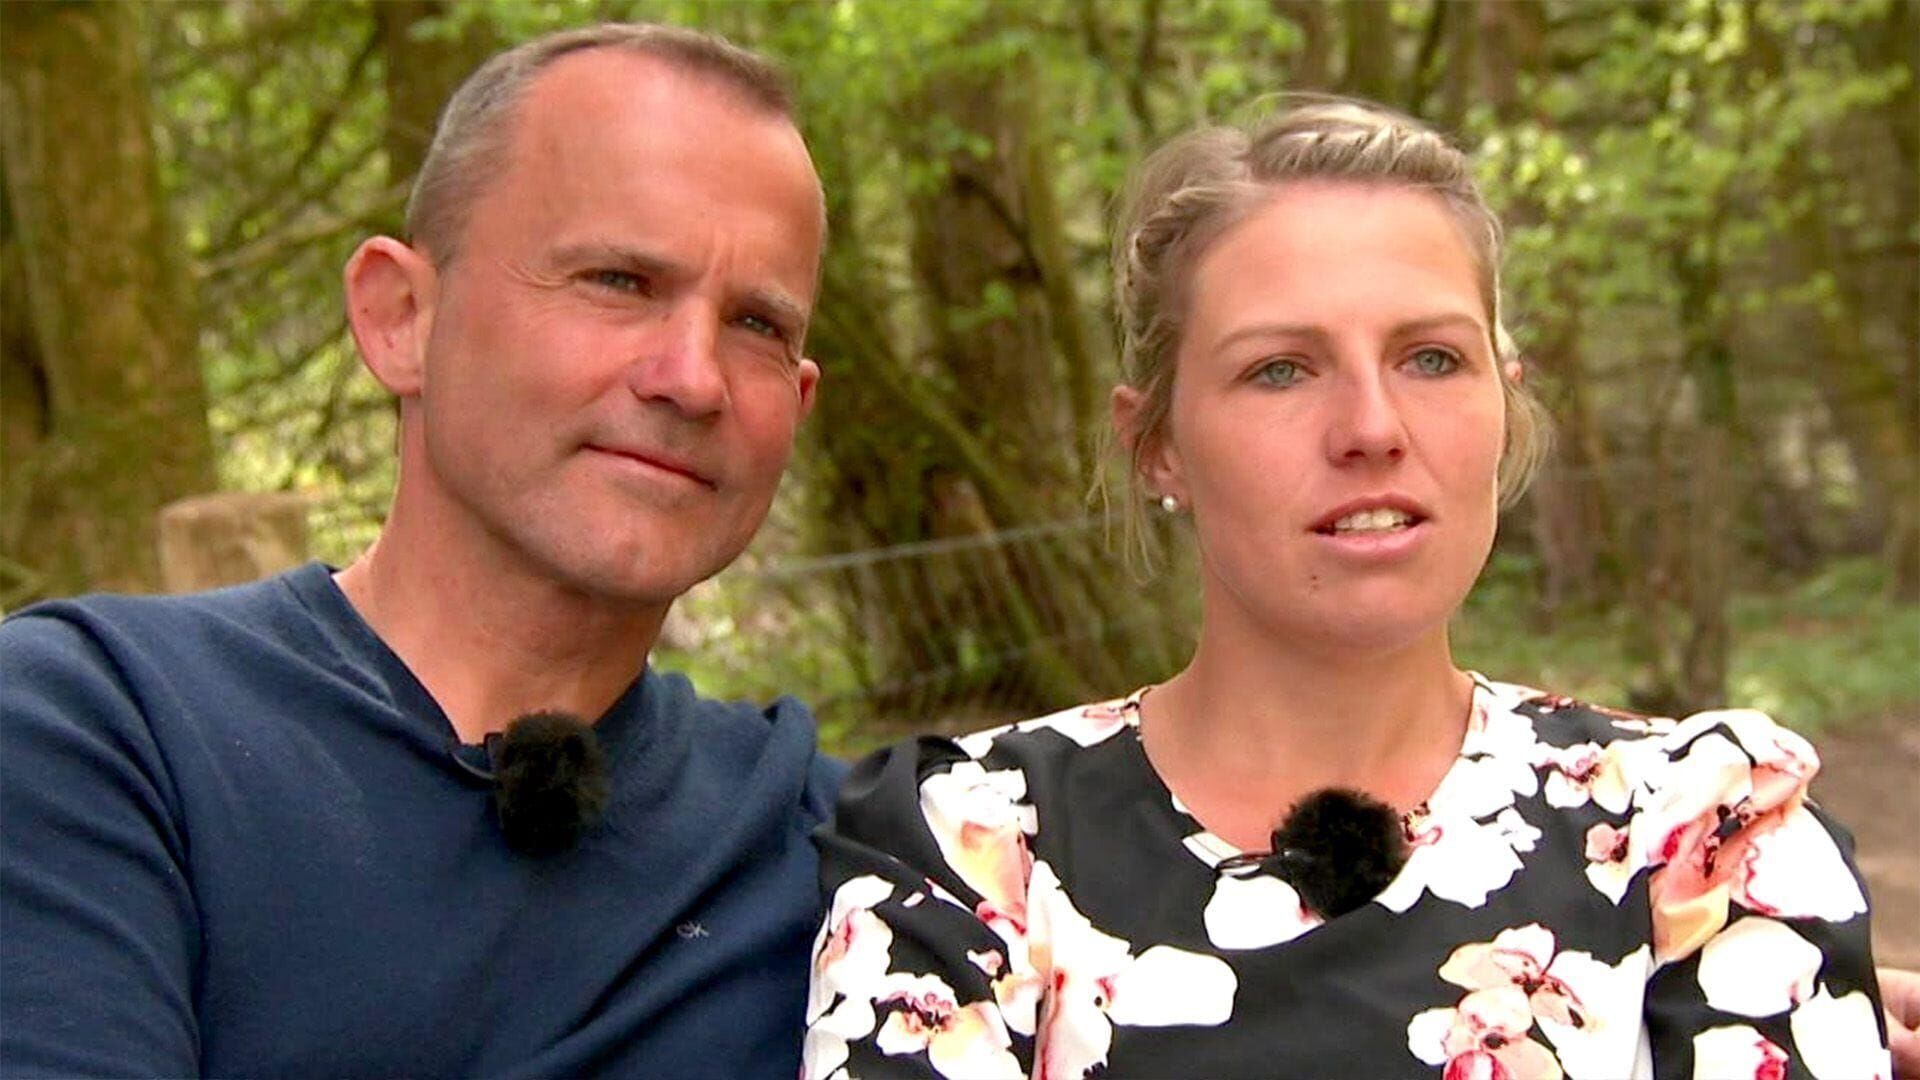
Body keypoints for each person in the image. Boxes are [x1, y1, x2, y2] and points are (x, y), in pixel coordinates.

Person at [803, 98, 1894, 1078]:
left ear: (1504, 404)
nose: (1373, 427)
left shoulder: (1702, 830)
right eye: (1280, 369)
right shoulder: (972, 854)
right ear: (1158, 444)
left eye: (1432, 359)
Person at [1, 24, 843, 1078]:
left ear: (797, 407)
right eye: (618, 280)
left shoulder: (838, 857)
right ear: (400, 318)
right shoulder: (106, 733)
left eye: (757, 325)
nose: (691, 377)